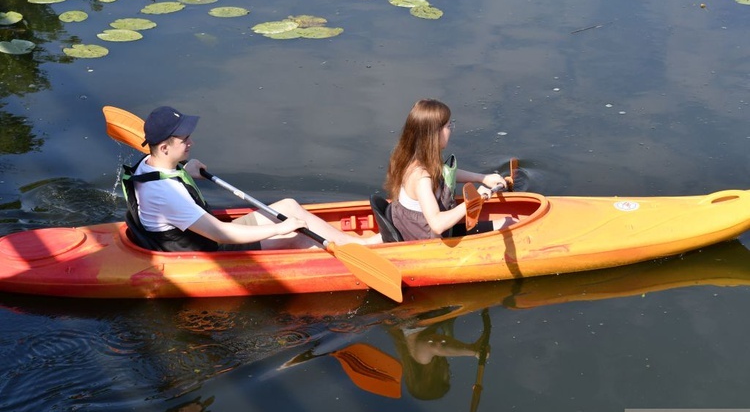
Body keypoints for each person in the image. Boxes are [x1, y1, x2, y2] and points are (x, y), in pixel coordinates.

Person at [123, 106, 381, 252]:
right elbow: (220, 233)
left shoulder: (150, 165)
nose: (192, 142)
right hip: (210, 252)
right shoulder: (167, 194)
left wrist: (184, 171)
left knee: (289, 205)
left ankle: (360, 245)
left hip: (200, 235)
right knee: (297, 236)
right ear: (165, 148)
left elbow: (169, 179)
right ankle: (356, 252)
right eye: (184, 140)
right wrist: (280, 229)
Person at [384, 99, 511, 241]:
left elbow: (445, 174)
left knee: (508, 222)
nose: (450, 130)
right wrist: (473, 201)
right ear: (434, 134)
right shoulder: (420, 177)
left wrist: (483, 178)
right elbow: (437, 224)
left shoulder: (416, 158)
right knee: (510, 223)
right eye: (448, 126)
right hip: (430, 242)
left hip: (417, 230)